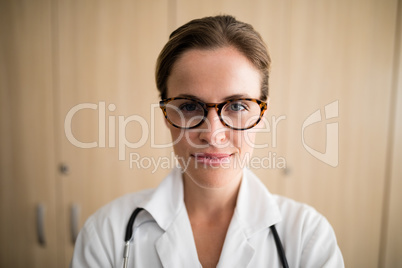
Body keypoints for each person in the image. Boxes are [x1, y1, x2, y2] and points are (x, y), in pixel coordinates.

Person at [71, 15, 344, 267]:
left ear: (261, 116)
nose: (212, 135)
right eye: (189, 106)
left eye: (237, 106)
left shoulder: (308, 238)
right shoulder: (106, 234)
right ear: (166, 115)